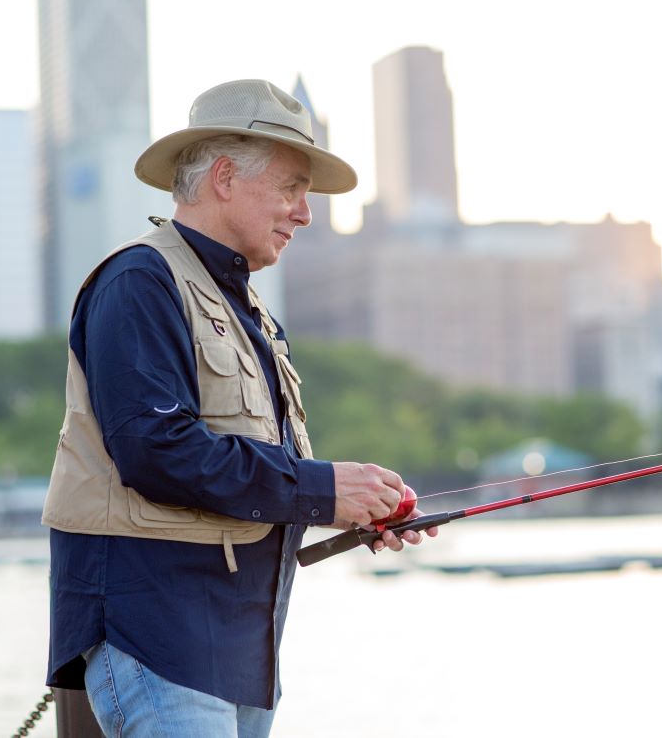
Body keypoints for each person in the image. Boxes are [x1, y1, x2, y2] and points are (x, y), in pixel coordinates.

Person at [42, 79, 436, 737]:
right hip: (160, 646)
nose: (304, 212)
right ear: (224, 176)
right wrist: (323, 487)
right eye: (291, 187)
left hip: (240, 657)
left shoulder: (253, 315)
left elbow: (256, 482)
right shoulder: (139, 282)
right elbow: (155, 450)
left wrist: (358, 506)